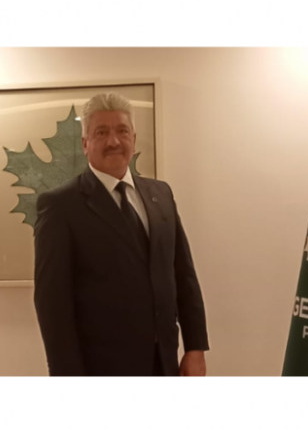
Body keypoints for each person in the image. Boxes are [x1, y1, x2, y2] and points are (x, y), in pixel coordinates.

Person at [33, 92, 209, 376]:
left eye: (122, 131)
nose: (113, 141)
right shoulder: (61, 206)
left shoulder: (161, 194)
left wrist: (195, 347)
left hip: (165, 362)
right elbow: (52, 304)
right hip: (100, 368)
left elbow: (183, 275)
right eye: (101, 132)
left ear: (134, 139)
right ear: (85, 143)